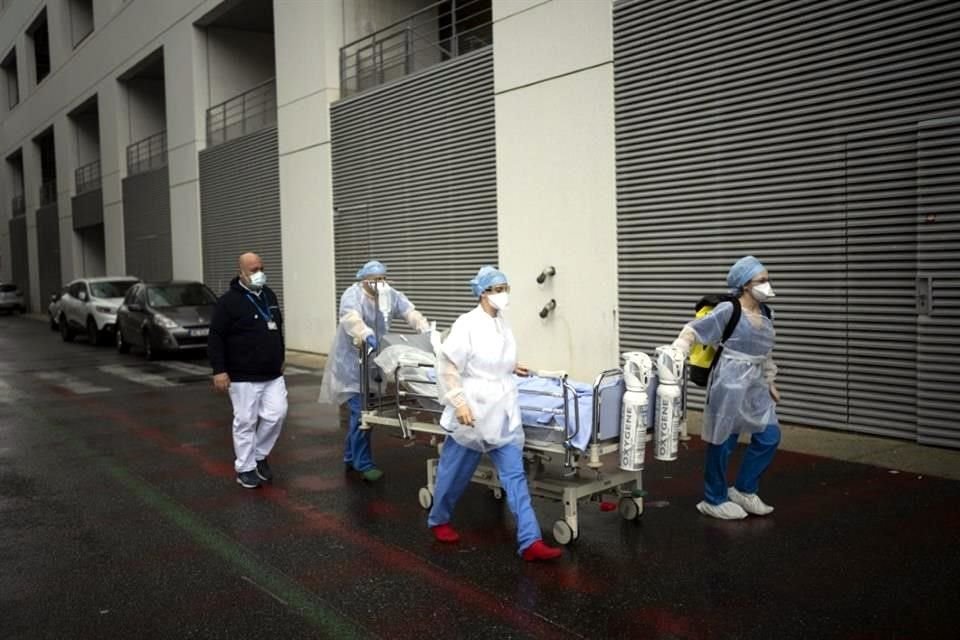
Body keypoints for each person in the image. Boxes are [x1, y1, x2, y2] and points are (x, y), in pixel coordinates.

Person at [428, 266, 562, 562]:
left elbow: (491, 357)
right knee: (454, 475)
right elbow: (448, 365)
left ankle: (530, 541)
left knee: (515, 477)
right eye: (498, 289)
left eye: (506, 288)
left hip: (503, 410)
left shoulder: (501, 323)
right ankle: (439, 519)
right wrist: (459, 402)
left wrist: (511, 366)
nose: (504, 294)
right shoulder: (467, 324)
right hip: (473, 412)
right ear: (483, 292)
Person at [671, 255, 781, 520]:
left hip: (755, 384)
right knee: (723, 441)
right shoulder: (728, 310)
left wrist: (770, 381)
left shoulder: (767, 313)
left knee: (769, 436)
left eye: (768, 279)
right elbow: (694, 330)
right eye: (761, 280)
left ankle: (744, 489)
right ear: (745, 284)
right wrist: (677, 351)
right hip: (729, 382)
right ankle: (714, 498)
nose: (767, 284)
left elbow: (765, 352)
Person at [318, 260, 430, 482]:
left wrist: (425, 329)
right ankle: (363, 463)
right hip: (352, 362)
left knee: (360, 412)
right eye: (376, 279)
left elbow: (409, 311)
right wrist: (365, 334)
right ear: (364, 279)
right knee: (361, 412)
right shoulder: (353, 295)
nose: (380, 283)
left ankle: (351, 456)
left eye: (383, 278)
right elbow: (351, 318)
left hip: (374, 358)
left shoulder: (389, 294)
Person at [208, 252, 288, 489]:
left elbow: (277, 326)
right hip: (242, 375)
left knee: (277, 415)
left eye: (261, 268)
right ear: (241, 272)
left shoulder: (269, 295)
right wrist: (219, 370)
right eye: (253, 270)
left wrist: (281, 355)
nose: (259, 273)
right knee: (245, 421)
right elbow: (216, 337)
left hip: (272, 373)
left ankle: (259, 455)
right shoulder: (228, 302)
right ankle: (245, 468)